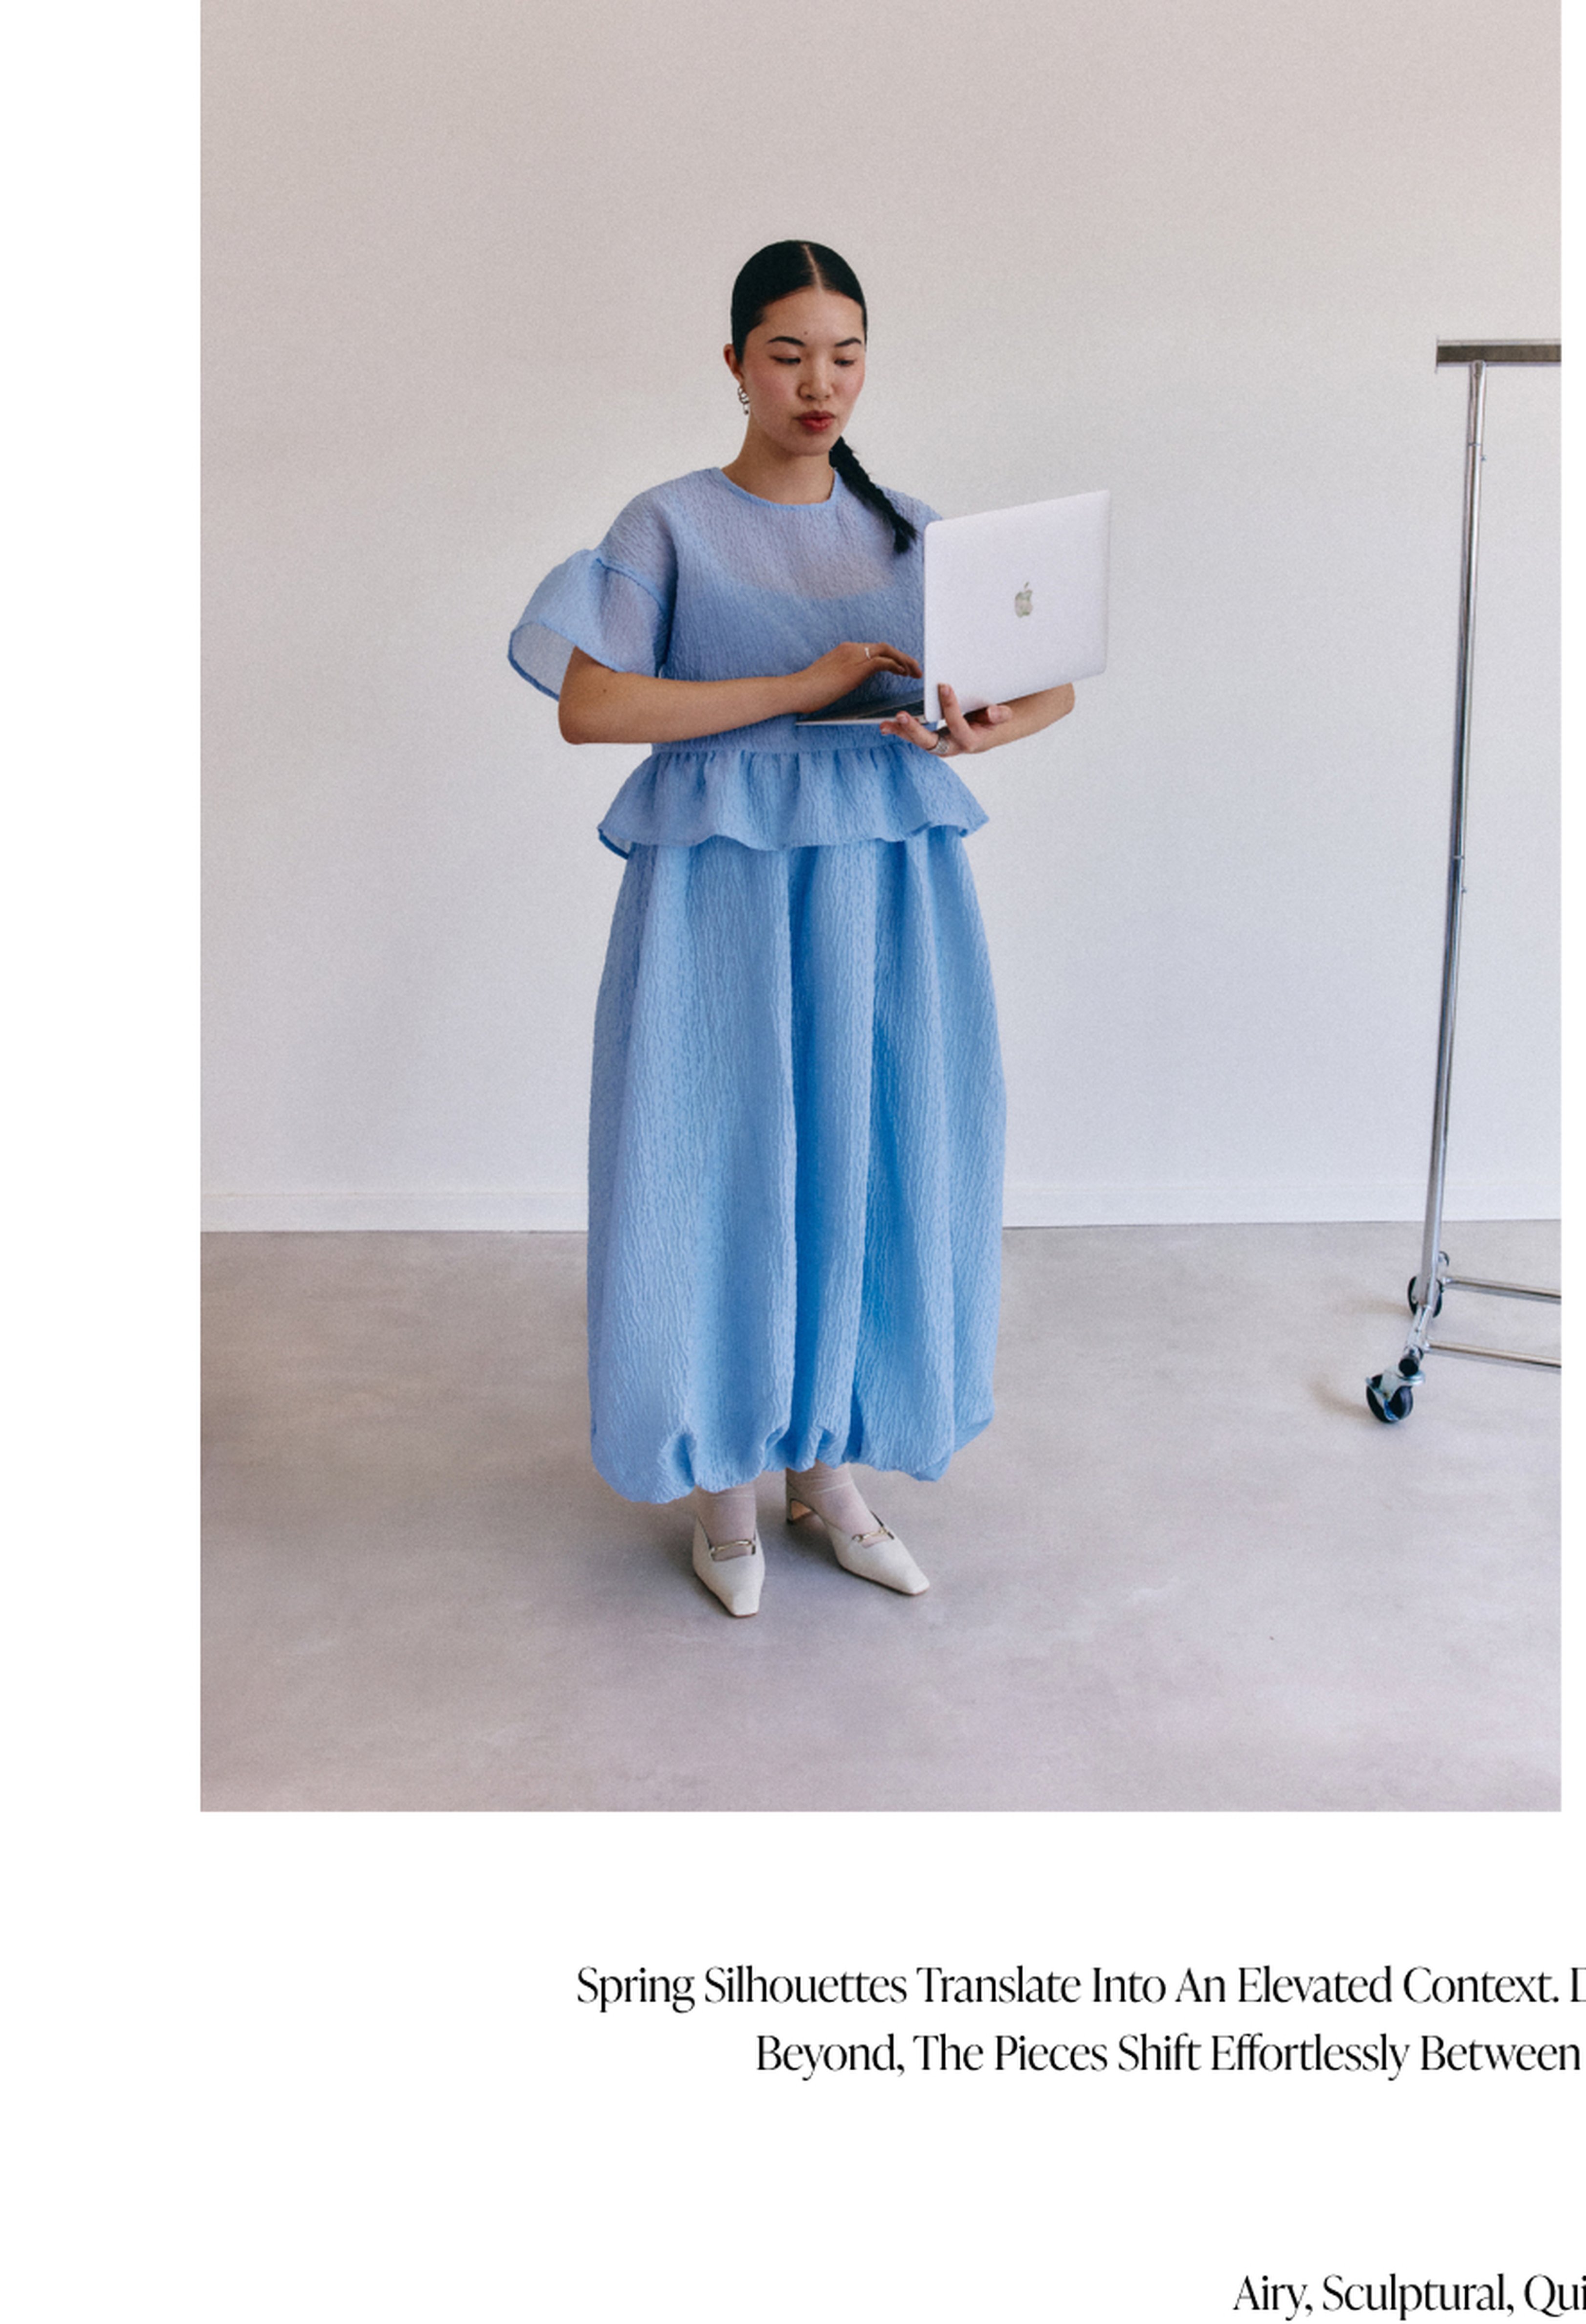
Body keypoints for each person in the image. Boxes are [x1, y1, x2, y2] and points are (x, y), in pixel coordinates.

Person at [509, 240, 1074, 1618]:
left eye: (847, 353)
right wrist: (795, 685)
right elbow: (593, 707)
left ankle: (827, 1470)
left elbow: (1049, 685)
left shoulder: (914, 528)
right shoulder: (670, 524)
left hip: (886, 883)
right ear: (735, 364)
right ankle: (722, 1491)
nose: (821, 383)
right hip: (723, 891)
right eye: (788, 353)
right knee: (720, 1157)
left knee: (868, 1155)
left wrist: (985, 726)